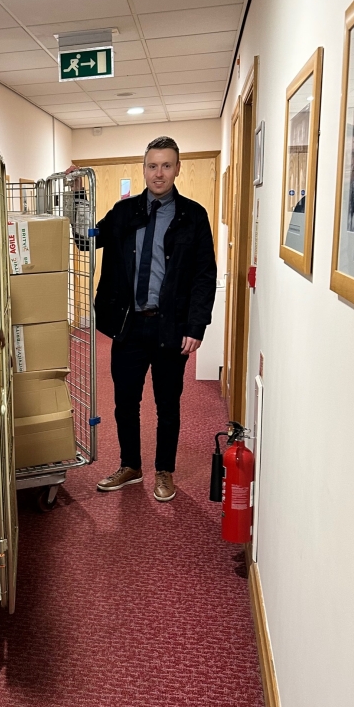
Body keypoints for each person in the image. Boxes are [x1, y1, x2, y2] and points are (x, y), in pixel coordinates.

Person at [86, 136, 217, 502]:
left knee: (167, 404)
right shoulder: (123, 212)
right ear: (143, 169)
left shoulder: (193, 216)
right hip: (128, 325)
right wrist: (77, 194)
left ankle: (164, 470)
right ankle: (130, 465)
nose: (159, 173)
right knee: (125, 402)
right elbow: (85, 239)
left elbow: (205, 275)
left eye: (166, 166)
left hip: (170, 327)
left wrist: (196, 326)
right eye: (152, 166)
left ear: (177, 169)